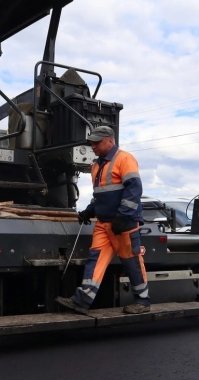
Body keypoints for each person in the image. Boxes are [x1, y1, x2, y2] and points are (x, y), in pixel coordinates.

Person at [55, 125, 151, 314]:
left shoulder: (124, 159)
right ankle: (81, 301)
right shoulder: (96, 166)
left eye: (97, 142)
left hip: (124, 224)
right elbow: (100, 195)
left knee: (131, 262)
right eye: (92, 143)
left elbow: (134, 190)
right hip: (103, 224)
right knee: (95, 260)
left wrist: (123, 217)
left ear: (110, 140)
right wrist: (89, 211)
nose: (93, 146)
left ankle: (143, 301)